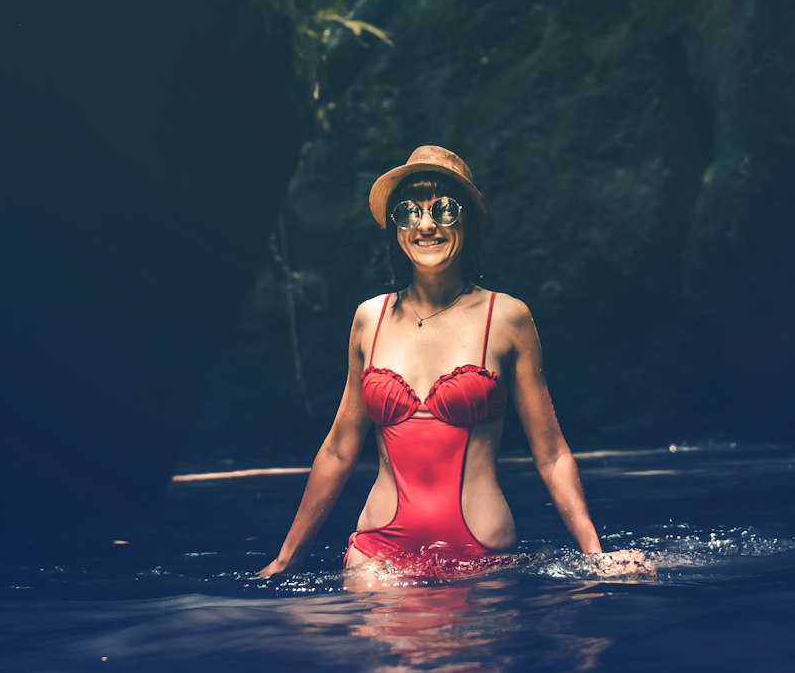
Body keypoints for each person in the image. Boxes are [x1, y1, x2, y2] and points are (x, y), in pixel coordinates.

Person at [257, 145, 651, 577]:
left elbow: (551, 453)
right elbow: (337, 449)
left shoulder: (507, 317)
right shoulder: (369, 318)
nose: (426, 225)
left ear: (469, 220)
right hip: (378, 551)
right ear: (395, 228)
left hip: (479, 553)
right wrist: (284, 560)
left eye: (443, 208)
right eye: (409, 212)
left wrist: (594, 556)